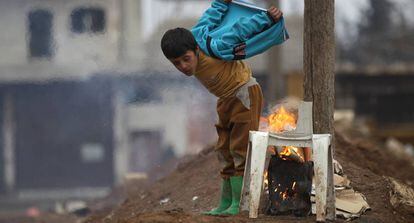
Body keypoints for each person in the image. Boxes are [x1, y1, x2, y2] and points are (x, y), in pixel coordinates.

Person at [160, 0, 286, 216]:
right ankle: (225, 203)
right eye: (176, 63)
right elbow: (211, 16)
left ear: (194, 50)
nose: (183, 67)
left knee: (239, 148)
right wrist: (221, 2)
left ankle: (238, 203)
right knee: (224, 149)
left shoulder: (215, 46)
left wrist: (266, 18)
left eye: (186, 60)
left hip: (244, 93)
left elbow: (240, 30)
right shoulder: (194, 35)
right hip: (226, 98)